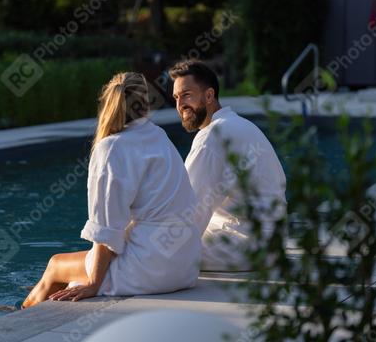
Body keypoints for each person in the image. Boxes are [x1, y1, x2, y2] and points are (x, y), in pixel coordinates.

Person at [22, 72, 201, 308]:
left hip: (152, 269)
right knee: (71, 274)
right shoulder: (158, 136)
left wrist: (94, 284)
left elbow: (106, 229)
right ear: (145, 103)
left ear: (108, 103)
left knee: (55, 265)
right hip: (186, 265)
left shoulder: (111, 148)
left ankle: (18, 315)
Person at [169, 60, 287, 271]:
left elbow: (189, 212)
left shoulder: (211, 138)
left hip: (244, 246)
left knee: (146, 248)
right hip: (272, 242)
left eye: (186, 95)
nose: (180, 106)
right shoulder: (240, 125)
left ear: (209, 95)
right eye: (176, 98)